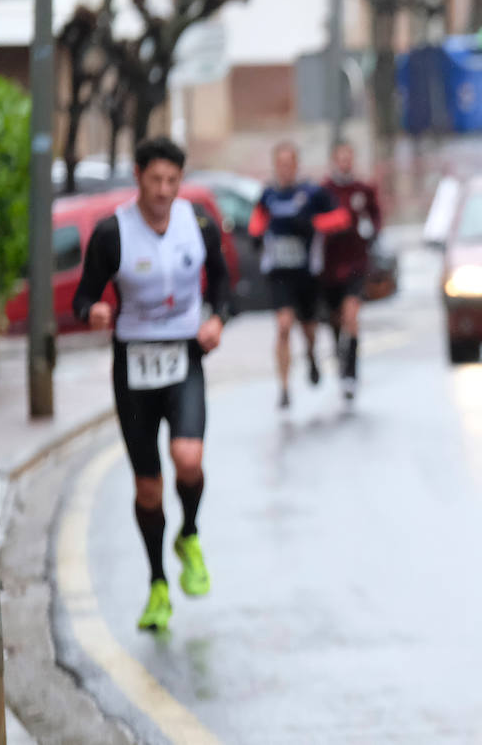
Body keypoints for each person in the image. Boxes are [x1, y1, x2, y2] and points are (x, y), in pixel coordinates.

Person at [72, 136, 232, 632]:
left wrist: (217, 320)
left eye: (172, 181)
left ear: (180, 182)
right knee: (148, 487)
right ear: (138, 176)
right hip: (134, 365)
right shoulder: (111, 233)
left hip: (185, 354)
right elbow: (83, 298)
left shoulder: (198, 224)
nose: (163, 191)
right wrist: (94, 311)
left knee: (189, 458)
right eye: (155, 180)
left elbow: (225, 284)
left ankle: (189, 533)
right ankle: (158, 583)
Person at [249, 141, 351, 409]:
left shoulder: (312, 193)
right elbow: (257, 219)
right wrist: (256, 234)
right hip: (278, 271)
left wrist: (314, 224)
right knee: (283, 325)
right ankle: (284, 388)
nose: (284, 169)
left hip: (306, 272)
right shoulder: (268, 194)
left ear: (296, 165)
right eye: (280, 164)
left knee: (308, 328)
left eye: (289, 164)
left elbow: (341, 217)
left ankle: (310, 353)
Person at [320, 141, 382, 400]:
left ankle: (352, 373)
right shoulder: (324, 191)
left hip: (356, 264)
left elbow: (376, 217)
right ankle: (339, 354)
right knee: (336, 320)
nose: (345, 163)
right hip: (330, 268)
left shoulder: (362, 190)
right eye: (340, 158)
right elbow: (315, 221)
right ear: (334, 160)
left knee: (351, 316)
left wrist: (371, 233)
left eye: (349, 158)